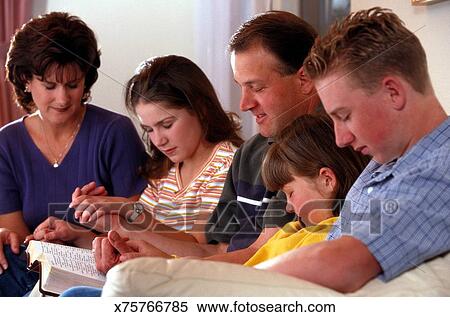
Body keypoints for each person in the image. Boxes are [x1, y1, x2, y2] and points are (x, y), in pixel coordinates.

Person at [74, 11, 323, 264]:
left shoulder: (315, 153)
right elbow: (215, 251)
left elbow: (259, 256)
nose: (244, 103)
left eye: (257, 87)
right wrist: (122, 223)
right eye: (241, 87)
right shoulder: (249, 154)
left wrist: (167, 266)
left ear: (304, 79)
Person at [252, 7, 450, 292]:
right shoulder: (387, 159)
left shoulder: (440, 168)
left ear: (393, 92)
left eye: (344, 116)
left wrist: (219, 288)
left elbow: (343, 263)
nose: (340, 139)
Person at [59, 54, 244, 297]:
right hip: (150, 281)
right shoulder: (166, 170)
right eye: (149, 129)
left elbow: (200, 247)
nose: (158, 141)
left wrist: (124, 216)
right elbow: (144, 230)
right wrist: (79, 233)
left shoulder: (225, 165)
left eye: (167, 125)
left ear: (200, 109)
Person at [0, 12, 147, 296]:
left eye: (73, 85)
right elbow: (17, 239)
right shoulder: (7, 144)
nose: (63, 99)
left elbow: (144, 218)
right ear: (26, 80)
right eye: (50, 85)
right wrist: (21, 238)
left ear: (87, 79)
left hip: (104, 273)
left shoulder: (115, 132)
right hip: (31, 274)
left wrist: (103, 217)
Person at [244, 115, 369, 266]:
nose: (288, 207)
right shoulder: (296, 231)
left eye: (290, 193)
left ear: (327, 180)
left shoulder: (324, 239)